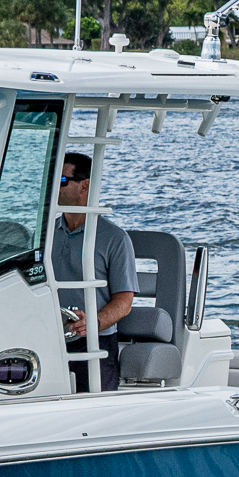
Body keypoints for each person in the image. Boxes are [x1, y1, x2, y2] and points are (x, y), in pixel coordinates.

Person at [50, 151, 136, 392]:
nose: (54, 187)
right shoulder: (45, 235)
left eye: (62, 181)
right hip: (48, 339)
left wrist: (94, 323)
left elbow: (124, 301)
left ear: (85, 186)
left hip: (95, 343)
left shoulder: (115, 239)